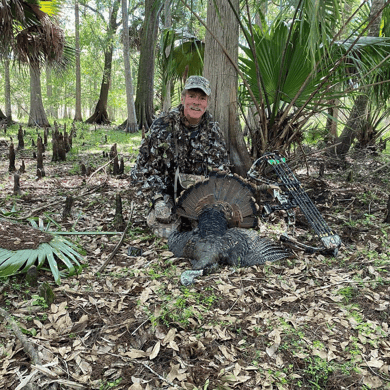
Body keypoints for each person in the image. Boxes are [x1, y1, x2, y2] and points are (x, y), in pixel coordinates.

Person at [131, 75, 230, 237]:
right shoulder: (162, 125)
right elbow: (141, 170)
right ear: (183, 99)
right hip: (167, 195)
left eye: (202, 98)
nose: (196, 102)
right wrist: (157, 200)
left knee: (214, 231)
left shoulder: (214, 131)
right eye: (192, 96)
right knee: (166, 232)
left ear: (207, 103)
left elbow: (221, 173)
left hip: (200, 198)